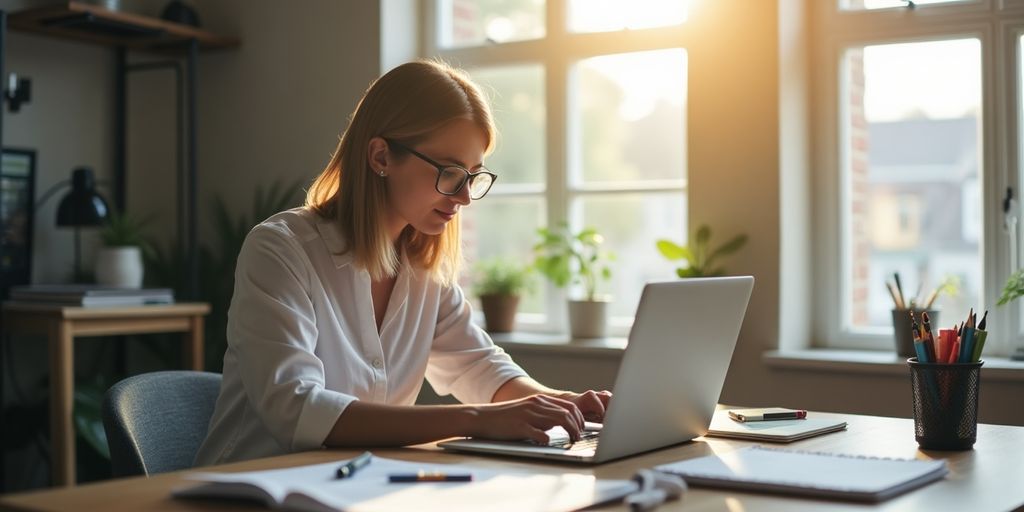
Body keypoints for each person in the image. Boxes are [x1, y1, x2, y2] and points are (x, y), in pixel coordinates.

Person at [195, 60, 612, 466]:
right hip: (251, 490)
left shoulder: (424, 266)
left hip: (356, 490)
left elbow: (479, 367)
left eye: (473, 175)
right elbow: (297, 407)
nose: (464, 196)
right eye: (450, 172)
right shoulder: (281, 250)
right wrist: (476, 420)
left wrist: (564, 404)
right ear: (380, 157)